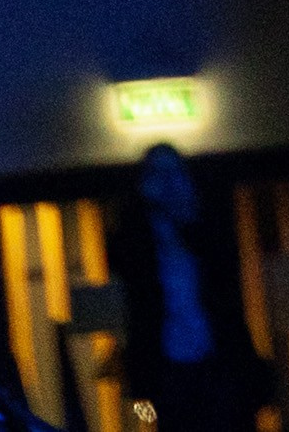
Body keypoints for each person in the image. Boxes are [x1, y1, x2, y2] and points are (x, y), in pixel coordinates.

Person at [111, 146, 272, 432]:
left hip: (219, 358)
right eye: (157, 173)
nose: (167, 181)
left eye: (173, 172)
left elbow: (221, 269)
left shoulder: (207, 220)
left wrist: (184, 216)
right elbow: (123, 263)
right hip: (168, 363)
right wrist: (147, 208)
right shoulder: (136, 231)